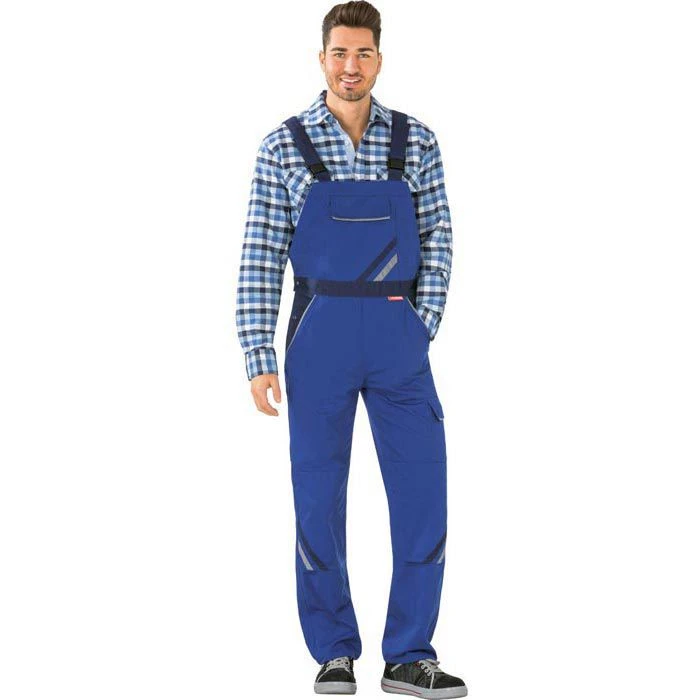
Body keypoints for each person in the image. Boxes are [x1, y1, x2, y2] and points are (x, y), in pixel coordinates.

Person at [235, 2, 466, 697]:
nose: (351, 66)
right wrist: (257, 352)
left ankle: (410, 656)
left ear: (379, 59)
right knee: (317, 497)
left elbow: (439, 236)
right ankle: (334, 653)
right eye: (339, 52)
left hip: (398, 338)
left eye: (363, 53)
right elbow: (260, 252)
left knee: (423, 493)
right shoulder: (284, 146)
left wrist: (420, 323)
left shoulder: (415, 141)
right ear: (322, 58)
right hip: (318, 338)